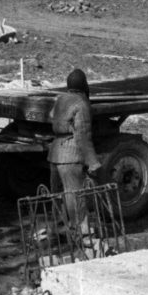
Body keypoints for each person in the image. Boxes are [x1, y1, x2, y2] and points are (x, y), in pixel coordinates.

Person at [48, 68, 102, 236]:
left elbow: (51, 115)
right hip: (70, 155)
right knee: (74, 195)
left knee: (58, 195)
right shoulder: (81, 103)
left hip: (55, 153)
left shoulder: (60, 99)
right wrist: (93, 162)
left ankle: (59, 229)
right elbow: (82, 135)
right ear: (84, 86)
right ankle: (82, 233)